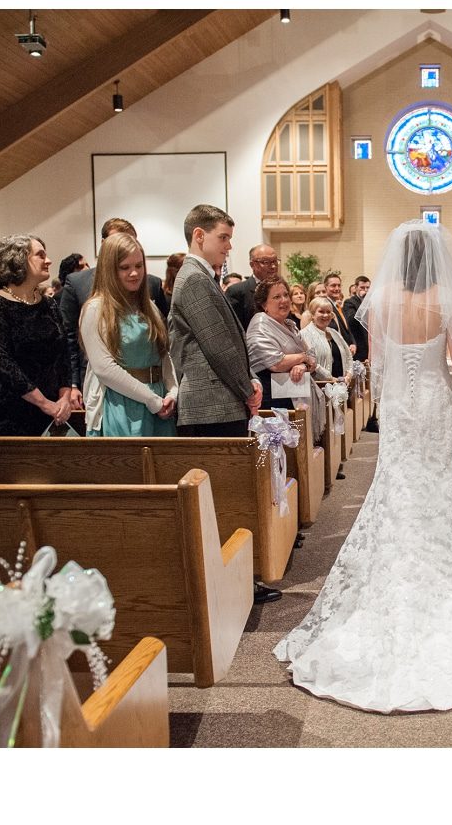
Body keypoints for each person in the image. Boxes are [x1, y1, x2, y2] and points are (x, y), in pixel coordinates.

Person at [274, 219, 452, 713]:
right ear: (435, 257)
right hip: (434, 401)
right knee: (438, 486)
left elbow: (375, 363)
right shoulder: (446, 299)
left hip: (396, 405)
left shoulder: (383, 299)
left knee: (396, 482)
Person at [167, 205, 278, 606]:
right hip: (211, 404)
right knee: (223, 499)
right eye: (224, 238)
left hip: (219, 401)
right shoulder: (194, 279)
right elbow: (217, 344)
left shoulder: (200, 276)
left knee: (228, 496)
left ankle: (235, 580)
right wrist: (246, 385)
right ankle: (229, 584)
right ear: (200, 236)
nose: (229, 247)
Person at [79, 233, 177, 437]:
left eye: (139, 266)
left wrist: (173, 392)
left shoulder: (148, 306)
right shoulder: (96, 309)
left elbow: (163, 354)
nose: (134, 273)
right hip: (122, 405)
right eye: (125, 267)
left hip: (159, 404)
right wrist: (151, 400)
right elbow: (104, 368)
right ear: (109, 269)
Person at [0, 234, 73, 435]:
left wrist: (64, 397)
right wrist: (44, 403)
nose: (48, 260)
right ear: (18, 261)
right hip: (9, 413)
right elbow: (1, 364)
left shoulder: (49, 304)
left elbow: (63, 354)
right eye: (40, 255)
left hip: (52, 411)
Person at [245, 278, 319, 414]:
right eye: (277, 297)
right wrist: (303, 357)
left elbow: (312, 357)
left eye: (286, 295)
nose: (284, 300)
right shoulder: (260, 326)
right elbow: (276, 363)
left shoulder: (290, 325)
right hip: (273, 401)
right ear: (264, 304)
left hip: (296, 395)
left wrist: (302, 365)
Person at [224, 244, 280, 330]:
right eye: (266, 262)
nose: (273, 266)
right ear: (252, 264)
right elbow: (233, 328)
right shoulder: (236, 292)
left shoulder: (281, 290)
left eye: (275, 261)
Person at [301, 295, 354, 385]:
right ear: (312, 315)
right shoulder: (304, 334)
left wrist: (348, 375)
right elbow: (311, 363)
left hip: (342, 386)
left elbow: (348, 356)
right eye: (321, 311)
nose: (326, 315)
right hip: (320, 387)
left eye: (328, 312)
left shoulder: (334, 333)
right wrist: (331, 378)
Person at [323, 271, 358, 355]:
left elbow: (347, 329)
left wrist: (353, 343)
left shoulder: (338, 306)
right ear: (325, 287)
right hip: (335, 353)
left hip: (347, 352)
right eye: (333, 285)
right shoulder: (325, 306)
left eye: (339, 285)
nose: (337, 288)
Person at [343, 274, 371, 361]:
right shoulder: (349, 302)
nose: (365, 290)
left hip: (370, 344)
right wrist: (364, 303)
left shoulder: (372, 301)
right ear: (356, 287)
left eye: (368, 287)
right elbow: (352, 320)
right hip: (359, 345)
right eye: (362, 287)